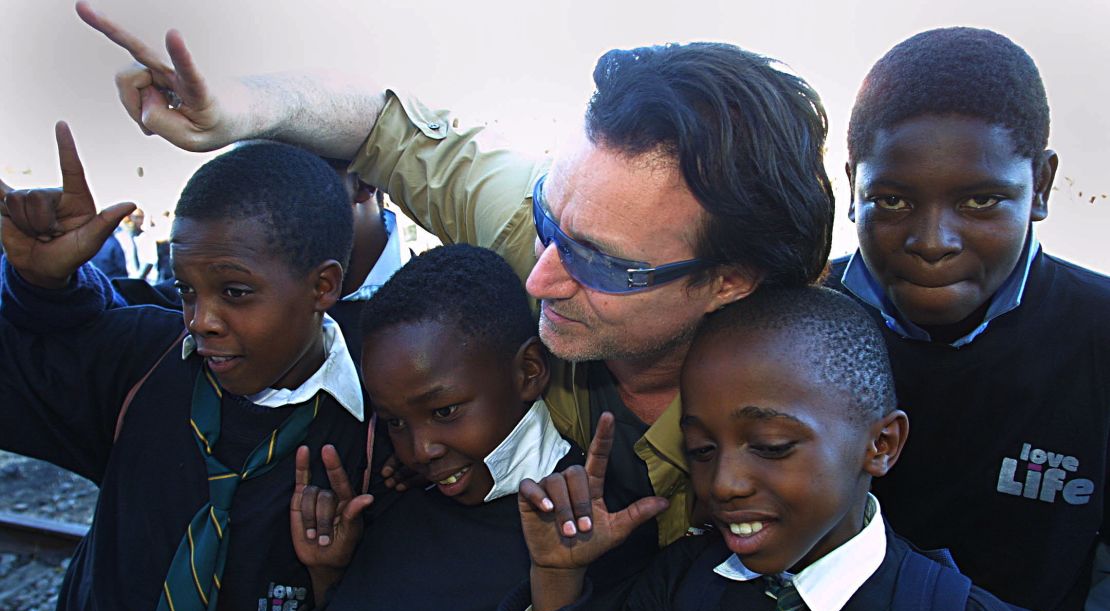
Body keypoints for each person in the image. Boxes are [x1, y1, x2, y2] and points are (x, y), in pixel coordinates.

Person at [76, 2, 834, 548]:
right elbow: (385, 128)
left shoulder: (799, 402)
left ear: (729, 280)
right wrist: (239, 109)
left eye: (599, 261)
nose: (539, 279)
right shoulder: (577, 222)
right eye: (546, 220)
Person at [499, 287, 1073, 611]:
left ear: (881, 445)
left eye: (771, 446)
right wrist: (556, 577)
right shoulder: (680, 589)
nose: (723, 484)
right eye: (700, 451)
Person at [0, 126, 370, 611]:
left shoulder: (373, 423)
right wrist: (40, 287)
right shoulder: (144, 361)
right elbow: (32, 366)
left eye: (234, 292)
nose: (203, 320)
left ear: (322, 287)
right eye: (186, 290)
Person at [245, 244, 658, 611]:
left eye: (444, 411)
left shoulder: (600, 531)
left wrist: (555, 584)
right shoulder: (399, 492)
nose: (420, 448)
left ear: (529, 372)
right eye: (395, 421)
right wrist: (330, 576)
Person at [825, 27, 1109, 611]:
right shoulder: (793, 324)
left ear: (1040, 186)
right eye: (890, 201)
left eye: (981, 201)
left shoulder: (1100, 335)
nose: (933, 239)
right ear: (852, 182)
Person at [109, 155, 405, 360]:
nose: (202, 322)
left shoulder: (434, 315)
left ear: (365, 180)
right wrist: (65, 280)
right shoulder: (189, 311)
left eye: (291, 173)